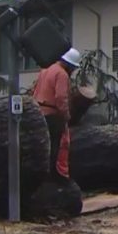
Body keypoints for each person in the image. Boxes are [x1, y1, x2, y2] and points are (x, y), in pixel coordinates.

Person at [33, 47, 81, 182]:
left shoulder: (45, 69)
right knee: (56, 146)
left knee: (43, 146)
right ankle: (55, 176)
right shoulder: (61, 74)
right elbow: (61, 98)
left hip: (39, 112)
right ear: (69, 65)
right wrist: (65, 115)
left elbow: (35, 91)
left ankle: (44, 175)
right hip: (52, 114)